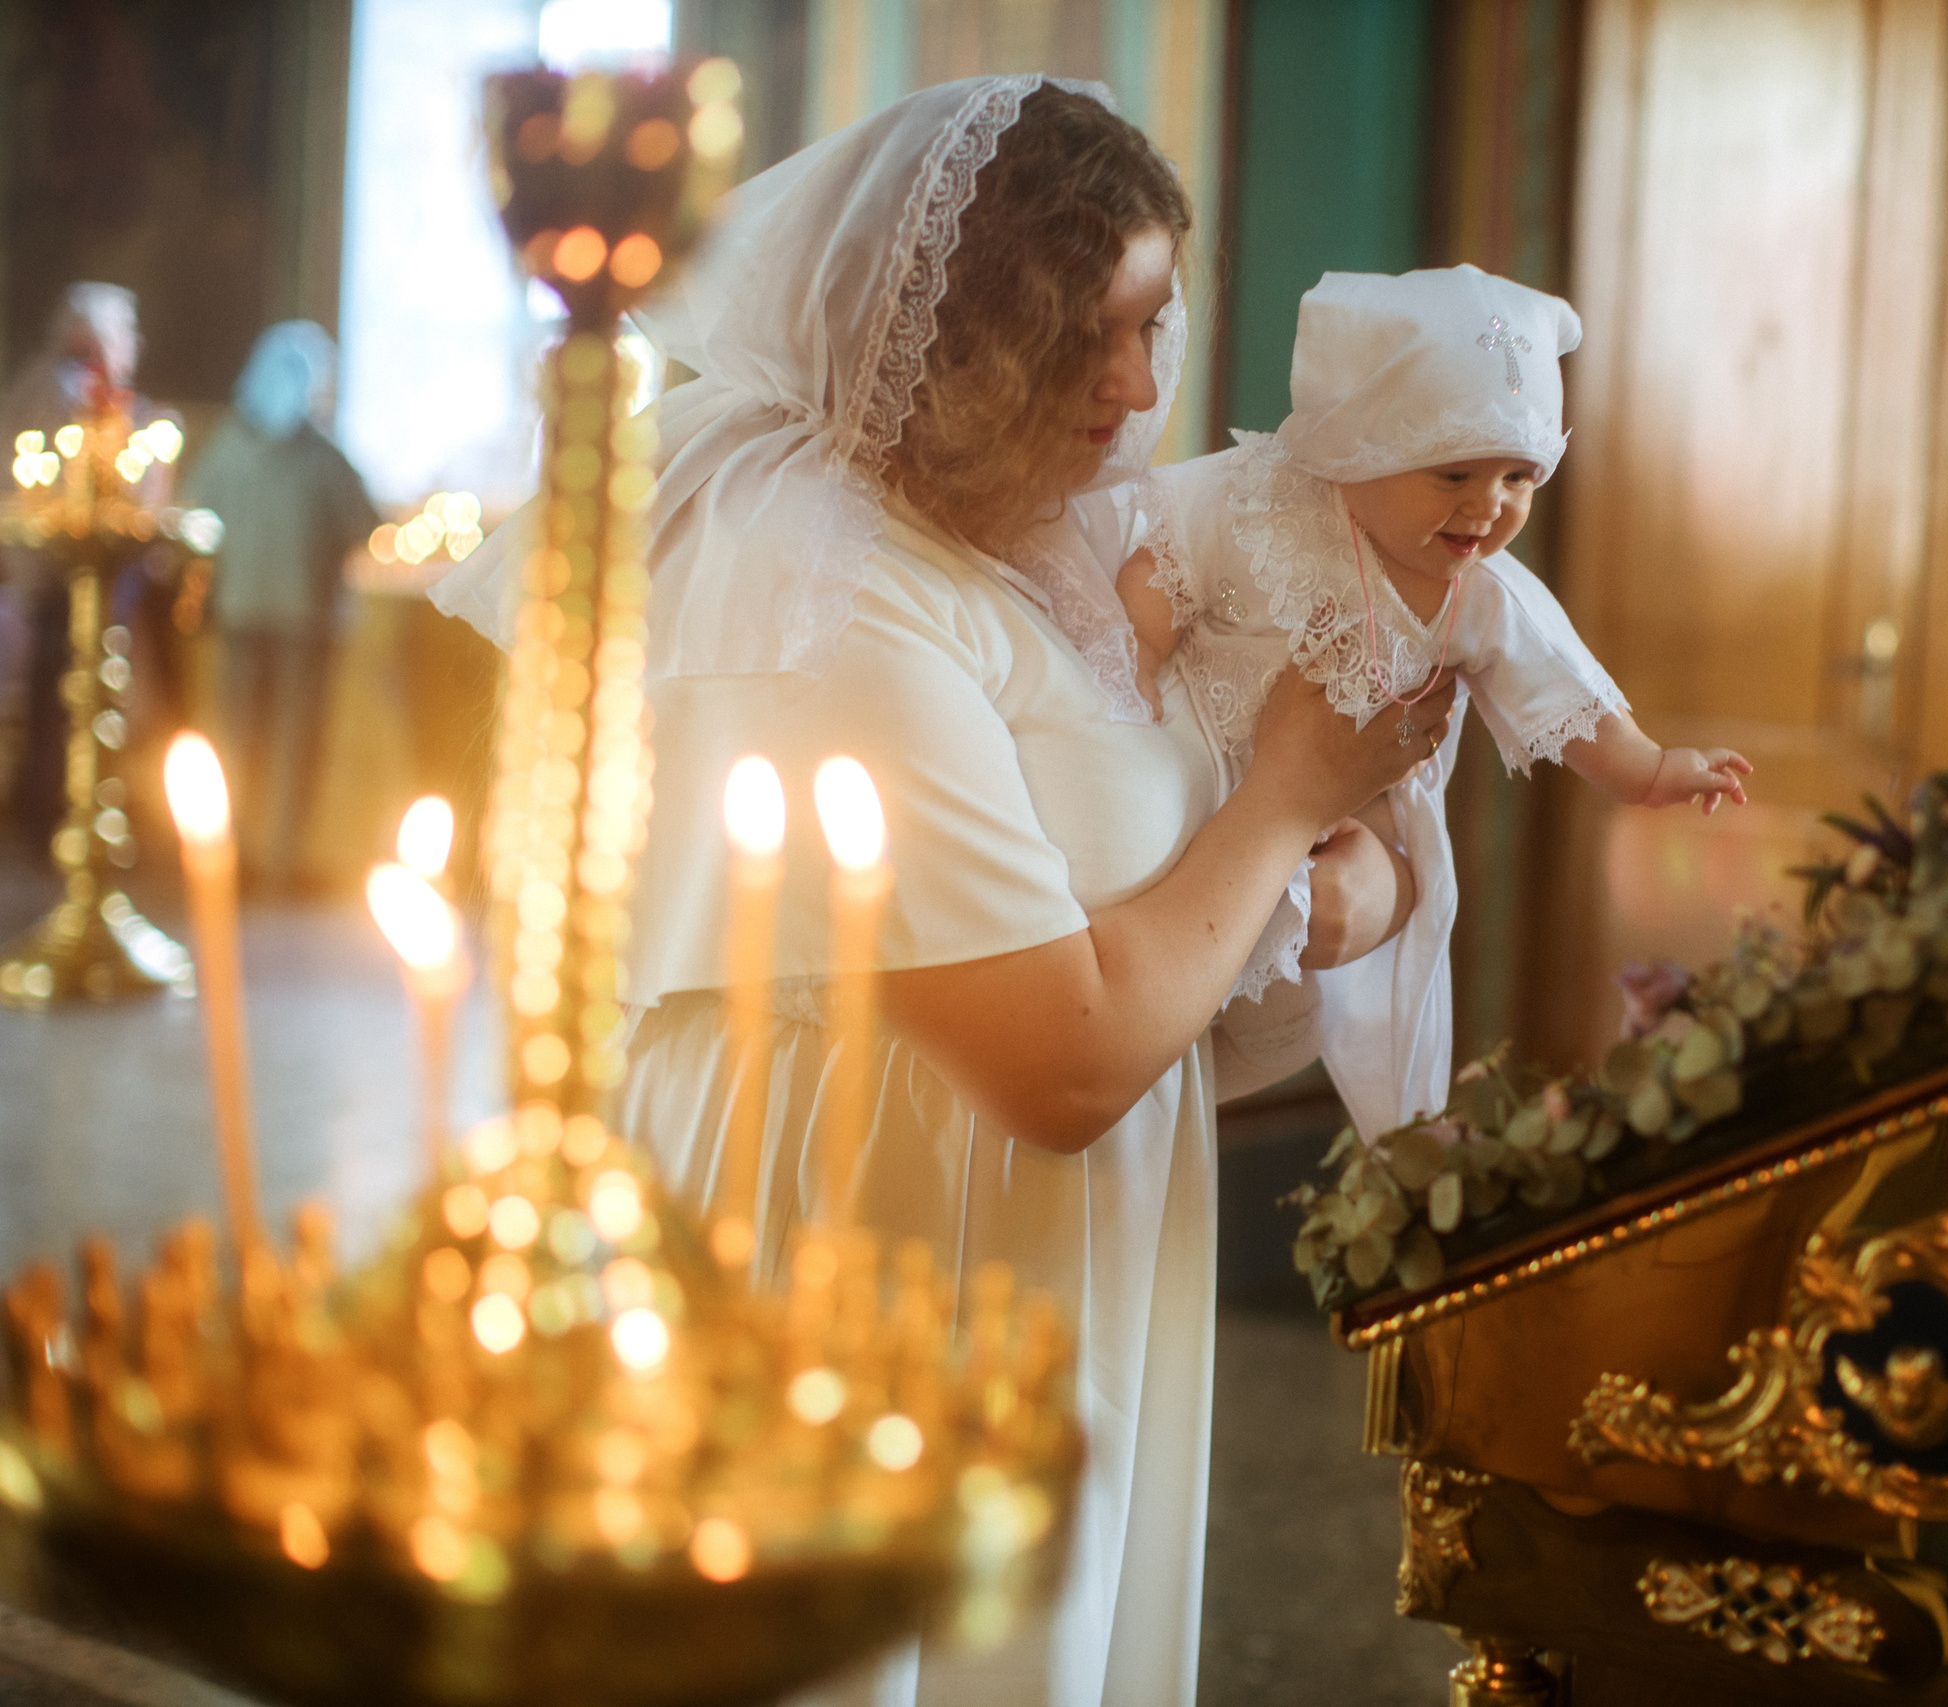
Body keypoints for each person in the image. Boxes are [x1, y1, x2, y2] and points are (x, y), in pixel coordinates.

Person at [435, 77, 1442, 1707]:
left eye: (1152, 324)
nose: (1139, 385)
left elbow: (1189, 872)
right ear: (967, 338)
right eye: (1085, 339)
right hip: (873, 1231)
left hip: (1042, 1238)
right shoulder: (819, 591)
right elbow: (1063, 1054)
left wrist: (1330, 867)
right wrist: (1285, 805)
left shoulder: (1034, 547)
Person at [1113, 266, 1753, 1138]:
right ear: (1360, 447)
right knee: (1155, 934)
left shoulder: (1478, 593)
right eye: (1453, 474)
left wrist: (1649, 770)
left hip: (1325, 837)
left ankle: (1211, 1064)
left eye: (1519, 477)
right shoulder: (1256, 498)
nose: (1488, 507)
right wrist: (1134, 671)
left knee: (1277, 997)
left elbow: (1562, 683)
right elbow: (1162, 564)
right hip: (1181, 771)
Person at [178, 321, 379, 890]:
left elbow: (194, 519)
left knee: (239, 736)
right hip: (303, 617)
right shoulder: (323, 458)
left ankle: (229, 855)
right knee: (293, 739)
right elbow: (363, 524)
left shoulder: (225, 448)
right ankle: (282, 861)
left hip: (240, 610)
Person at [0, 284, 148, 852]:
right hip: (59, 572)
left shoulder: (84, 394)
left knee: (79, 698)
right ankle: (54, 821)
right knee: (60, 702)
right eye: (121, 334)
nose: (131, 345)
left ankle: (69, 817)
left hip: (75, 570)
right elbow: (53, 494)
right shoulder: (62, 396)